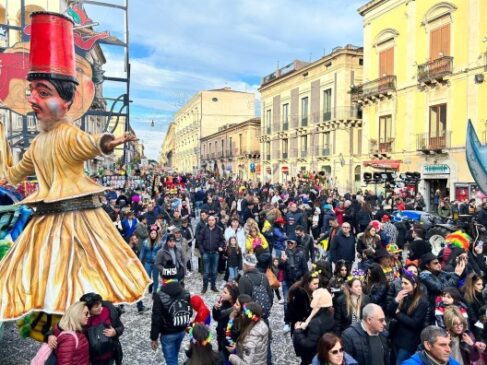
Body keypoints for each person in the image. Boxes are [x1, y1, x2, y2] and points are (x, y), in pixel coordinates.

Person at [0, 12, 150, 320]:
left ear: (66, 102)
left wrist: (110, 141)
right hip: (45, 223)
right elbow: (14, 174)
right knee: (41, 282)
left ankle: (78, 325)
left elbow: (89, 144)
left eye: (43, 93)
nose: (32, 99)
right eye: (32, 92)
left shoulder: (69, 135)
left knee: (75, 280)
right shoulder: (37, 143)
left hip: (78, 222)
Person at [150, 264, 192, 365]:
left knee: (171, 360)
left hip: (167, 333)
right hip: (181, 330)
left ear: (163, 277)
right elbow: (190, 312)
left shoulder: (159, 295)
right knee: (174, 356)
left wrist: (154, 337)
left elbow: (156, 318)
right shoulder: (185, 292)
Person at [386, 269, 429, 365]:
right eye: (402, 283)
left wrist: (398, 314)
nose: (402, 286)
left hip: (408, 341)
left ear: (414, 285)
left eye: (406, 283)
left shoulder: (422, 302)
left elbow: (415, 323)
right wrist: (396, 300)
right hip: (396, 337)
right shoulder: (403, 296)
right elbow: (389, 311)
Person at [75, 292, 124, 365]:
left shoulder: (109, 311)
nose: (100, 307)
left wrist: (115, 332)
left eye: (100, 304)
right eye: (96, 307)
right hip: (94, 357)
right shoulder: (82, 318)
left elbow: (120, 326)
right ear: (87, 309)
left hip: (110, 353)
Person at [293, 288, 335, 365]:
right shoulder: (330, 314)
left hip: (313, 356)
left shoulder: (316, 323)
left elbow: (308, 344)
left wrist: (298, 331)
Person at [197, 215, 225, 293]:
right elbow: (199, 242)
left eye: (212, 220)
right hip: (206, 253)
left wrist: (220, 246)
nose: (211, 221)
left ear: (215, 221)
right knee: (206, 272)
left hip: (215, 253)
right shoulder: (203, 230)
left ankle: (213, 286)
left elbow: (222, 240)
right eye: (209, 220)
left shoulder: (219, 230)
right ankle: (205, 287)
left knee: (214, 271)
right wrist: (202, 252)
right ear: (207, 221)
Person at [139, 226, 163, 294]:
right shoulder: (145, 242)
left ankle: (155, 291)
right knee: (148, 277)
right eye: (152, 233)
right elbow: (142, 253)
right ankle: (150, 285)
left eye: (154, 233)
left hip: (156, 262)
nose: (153, 235)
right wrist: (140, 261)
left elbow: (161, 253)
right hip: (148, 262)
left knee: (155, 277)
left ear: (156, 234)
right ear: (150, 234)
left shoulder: (160, 243)